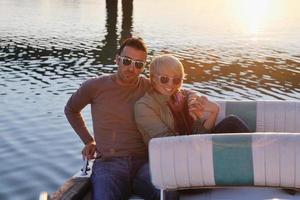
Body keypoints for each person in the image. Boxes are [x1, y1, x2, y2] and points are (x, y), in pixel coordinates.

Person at [65, 39, 199, 200]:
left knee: (168, 193)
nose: (131, 68)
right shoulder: (94, 86)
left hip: (143, 163)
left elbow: (180, 90)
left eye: (138, 64)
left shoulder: (149, 86)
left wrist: (193, 99)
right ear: (117, 59)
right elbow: (71, 110)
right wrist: (88, 140)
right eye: (127, 61)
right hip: (109, 164)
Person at [134, 54, 251, 147]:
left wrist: (214, 112)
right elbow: (167, 143)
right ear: (154, 78)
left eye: (176, 79)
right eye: (164, 79)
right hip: (172, 158)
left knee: (231, 122)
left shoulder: (181, 97)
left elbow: (200, 134)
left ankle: (259, 159)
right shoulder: (144, 106)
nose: (170, 84)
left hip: (195, 147)